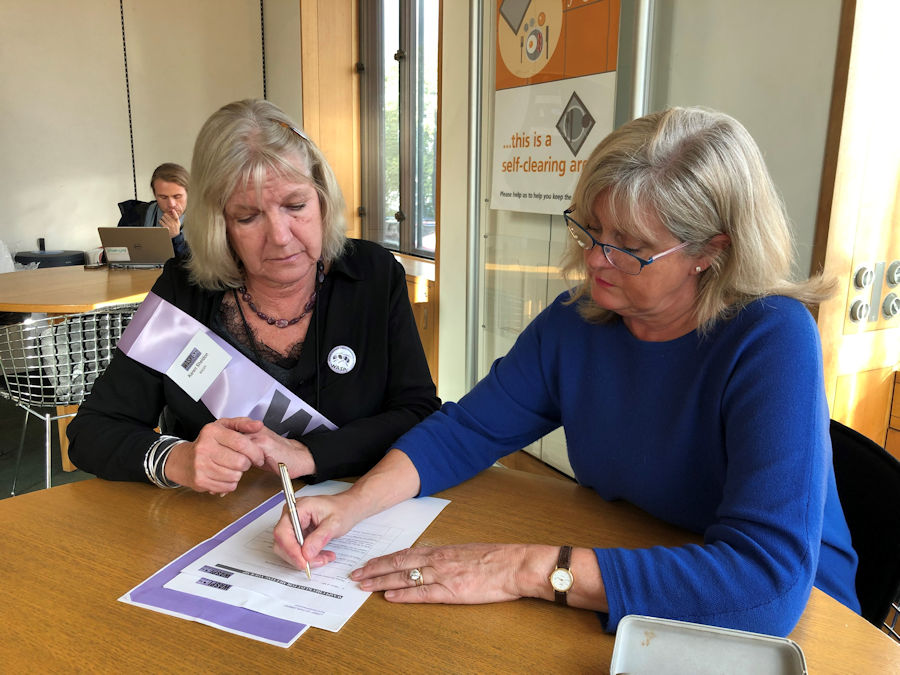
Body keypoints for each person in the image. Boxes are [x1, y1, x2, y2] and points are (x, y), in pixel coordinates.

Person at [272, 107, 861, 638]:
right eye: (590, 230)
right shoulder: (579, 322)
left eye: (630, 247)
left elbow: (766, 586)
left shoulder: (771, 337)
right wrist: (354, 504)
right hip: (643, 556)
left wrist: (526, 568)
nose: (596, 260)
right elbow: (465, 431)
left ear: (711, 250)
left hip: (800, 625)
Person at [68, 99, 440, 492]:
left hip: (354, 520)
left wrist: (309, 454)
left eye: (296, 205)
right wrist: (176, 459)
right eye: (248, 217)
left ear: (323, 200)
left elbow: (416, 411)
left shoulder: (373, 274)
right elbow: (92, 431)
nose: (280, 237)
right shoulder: (184, 291)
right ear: (219, 225)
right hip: (213, 530)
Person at [116, 163, 190, 258]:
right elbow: (113, 256)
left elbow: (200, 267)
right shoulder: (134, 215)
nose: (171, 204)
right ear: (155, 195)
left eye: (177, 196)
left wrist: (176, 237)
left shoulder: (205, 219)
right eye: (163, 197)